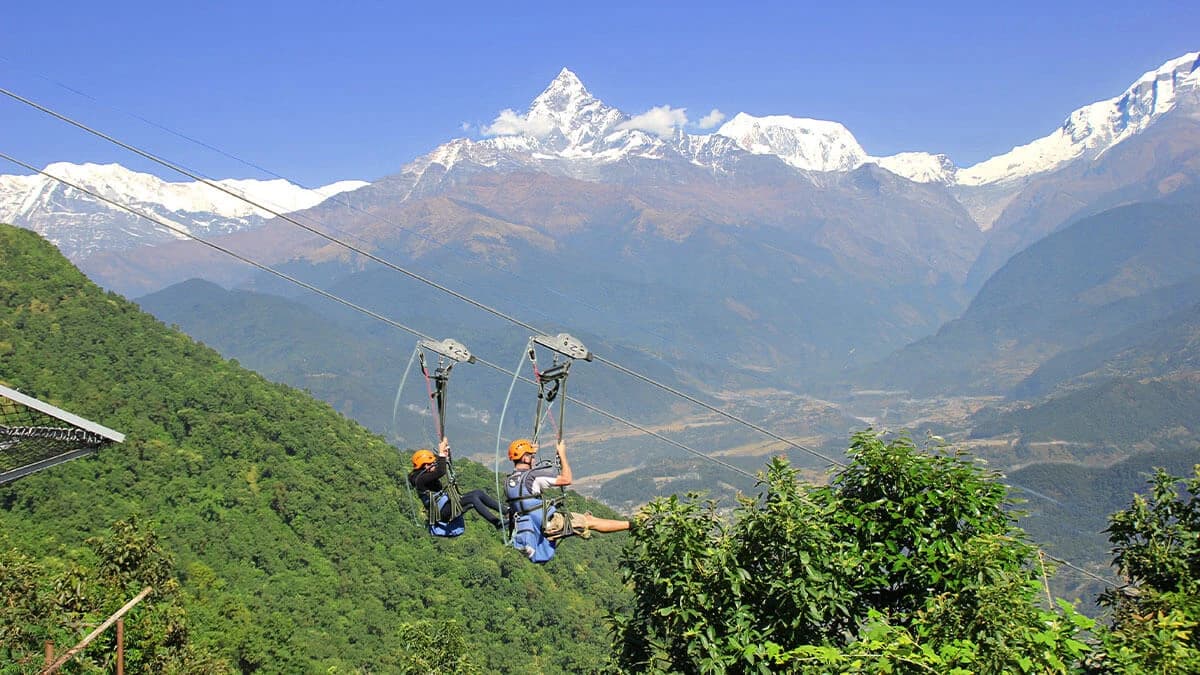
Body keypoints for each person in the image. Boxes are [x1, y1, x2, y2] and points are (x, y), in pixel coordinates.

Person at [504, 437, 629, 563]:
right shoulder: (533, 477)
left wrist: (532, 451)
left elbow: (525, 487)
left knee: (585, 522)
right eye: (531, 456)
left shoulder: (509, 482)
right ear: (525, 458)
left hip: (531, 526)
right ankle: (632, 525)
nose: (534, 459)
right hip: (548, 524)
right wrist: (562, 454)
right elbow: (567, 479)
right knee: (590, 521)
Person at [409, 437, 503, 535]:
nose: (434, 465)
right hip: (442, 512)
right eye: (431, 463)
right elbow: (441, 471)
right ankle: (496, 523)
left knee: (478, 493)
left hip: (445, 506)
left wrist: (446, 453)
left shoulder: (425, 475)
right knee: (473, 499)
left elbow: (442, 464)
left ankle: (506, 511)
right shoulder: (420, 480)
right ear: (425, 466)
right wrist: (441, 451)